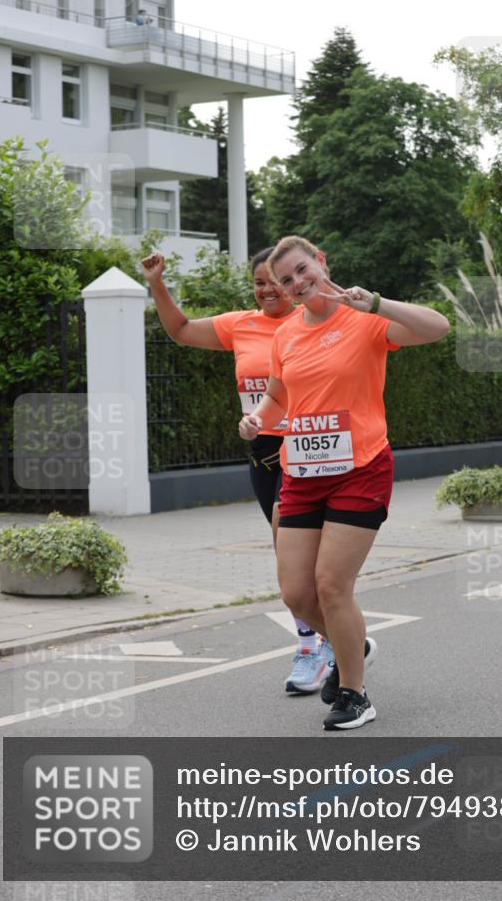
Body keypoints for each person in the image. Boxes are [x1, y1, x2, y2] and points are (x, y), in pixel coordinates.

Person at [239, 236, 450, 730]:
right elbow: (277, 396)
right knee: (295, 592)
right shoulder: (285, 335)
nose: (295, 284)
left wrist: (374, 302)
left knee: (332, 585)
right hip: (302, 474)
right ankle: (352, 646)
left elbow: (438, 327)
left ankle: (354, 694)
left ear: (320, 262)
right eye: (285, 280)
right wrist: (256, 419)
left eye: (300, 270)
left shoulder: (364, 318)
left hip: (361, 468)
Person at [141, 247, 333, 691]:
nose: (268, 290)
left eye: (275, 281)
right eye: (259, 283)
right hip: (261, 453)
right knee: (290, 562)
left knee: (306, 557)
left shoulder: (311, 322)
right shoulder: (240, 324)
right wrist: (157, 284)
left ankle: (320, 645)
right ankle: (317, 641)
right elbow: (182, 330)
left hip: (308, 451)